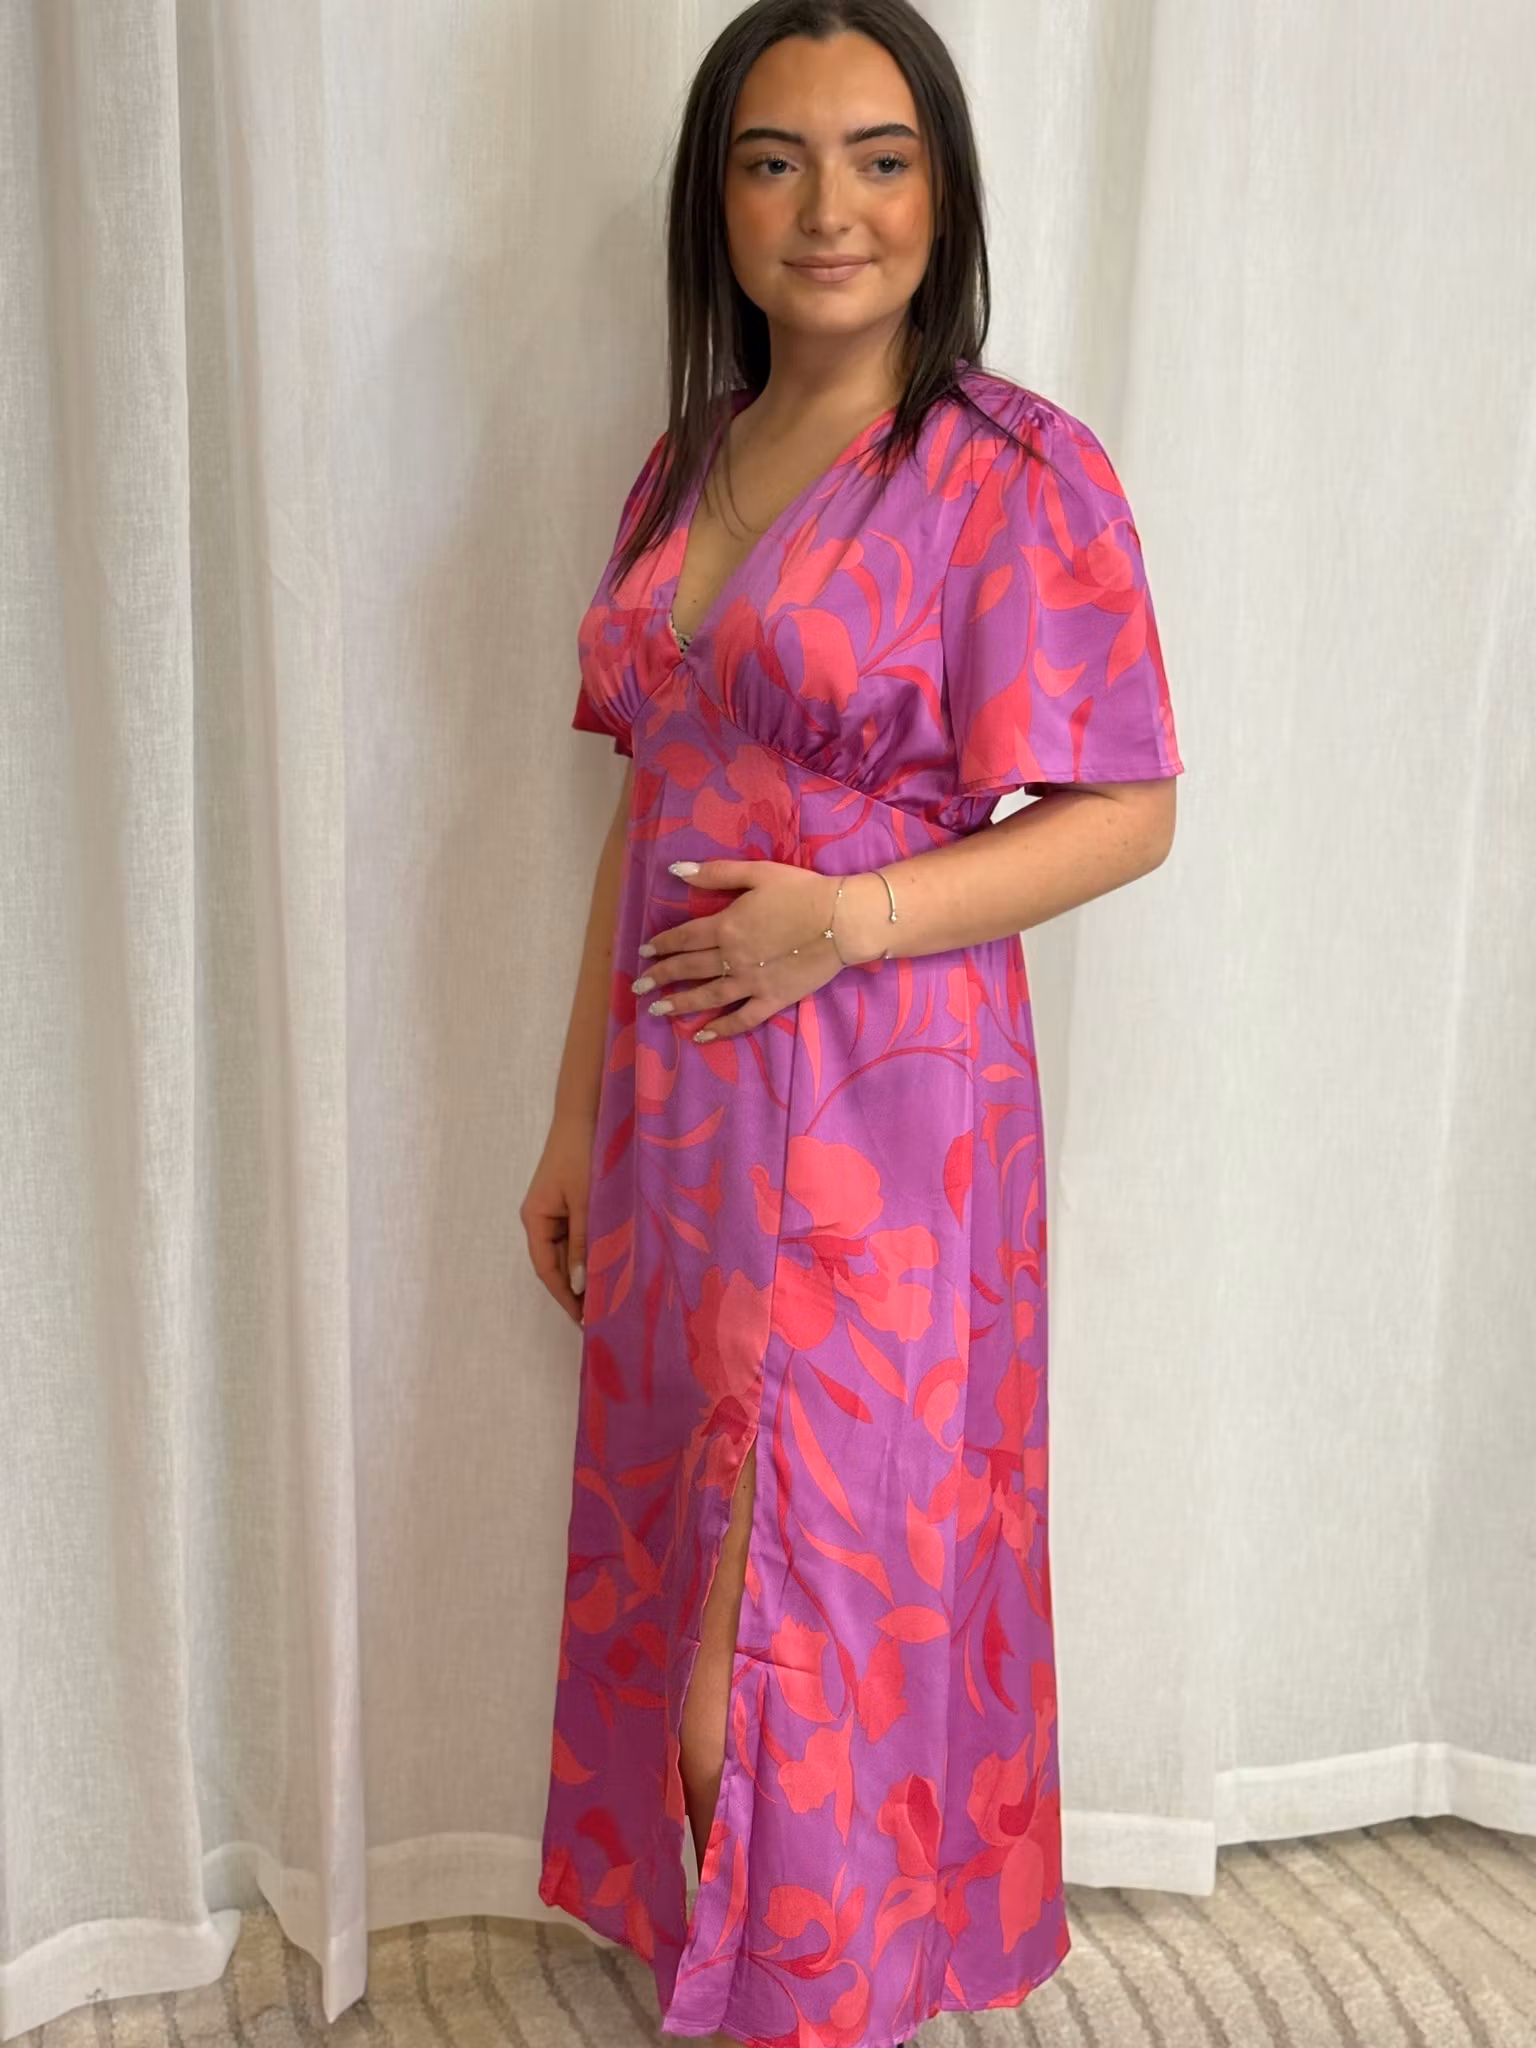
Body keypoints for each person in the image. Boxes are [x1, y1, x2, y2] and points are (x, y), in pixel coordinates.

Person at [523, 4, 1183, 2044]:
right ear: (718, 201)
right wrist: (573, 1122)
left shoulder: (1012, 471)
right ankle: (756, 1983)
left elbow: (1128, 810)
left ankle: (810, 2000)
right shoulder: (685, 461)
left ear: (943, 193)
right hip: (677, 1119)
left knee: (798, 1604)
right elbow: (648, 804)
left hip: (882, 1119)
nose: (831, 208)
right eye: (777, 159)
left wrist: (850, 924)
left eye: (881, 158)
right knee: (690, 1569)